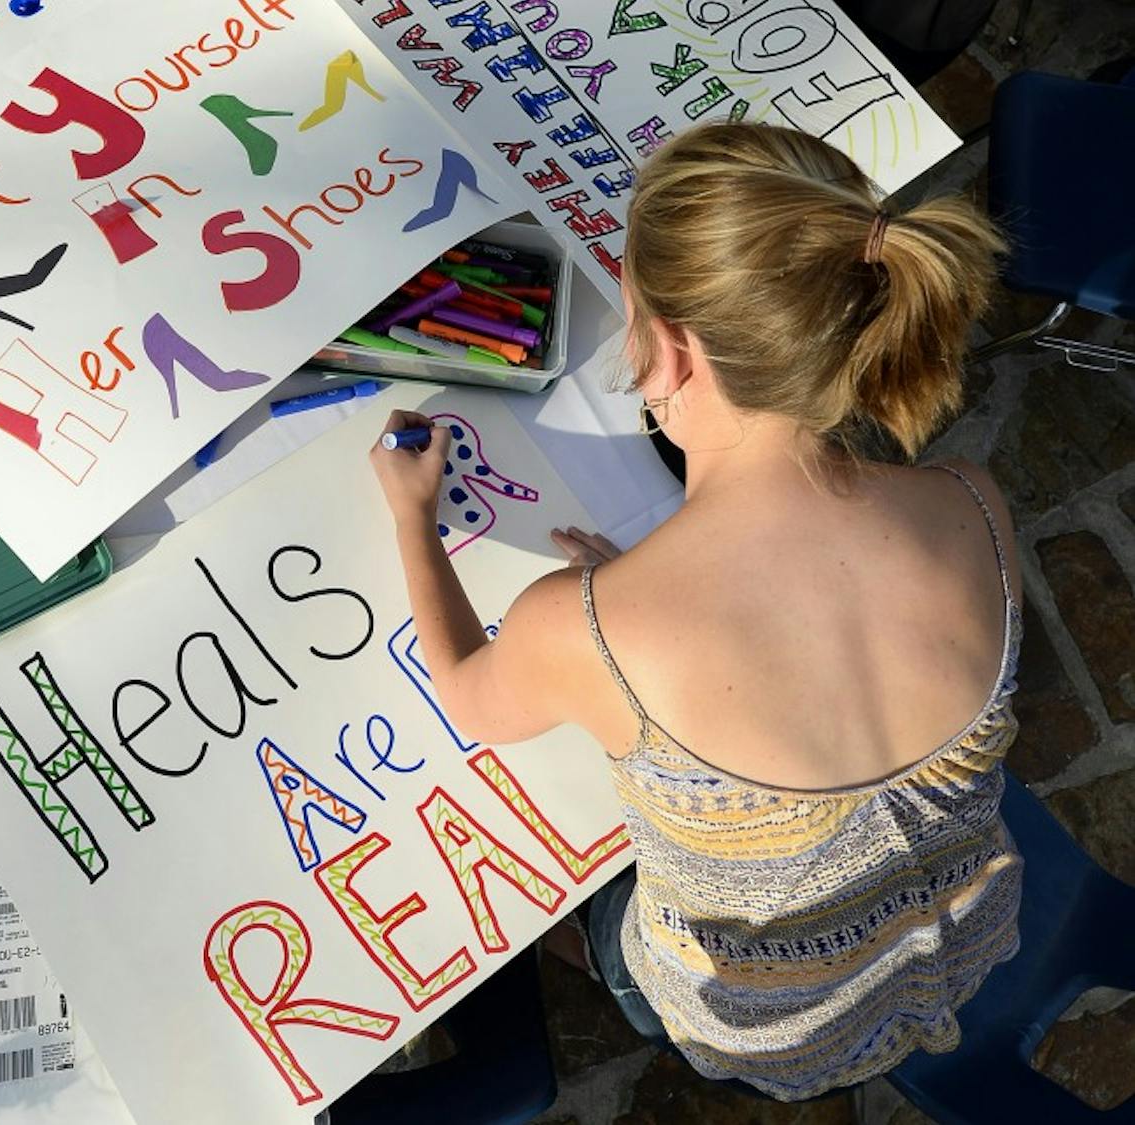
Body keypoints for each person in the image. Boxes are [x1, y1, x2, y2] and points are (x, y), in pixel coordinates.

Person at [369, 121, 1022, 1101]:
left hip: (764, 1032)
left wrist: (413, 518)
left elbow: (472, 700)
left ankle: (606, 968)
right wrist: (647, 591)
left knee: (601, 914)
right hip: (957, 945)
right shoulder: (975, 502)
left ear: (666, 354)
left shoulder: (584, 629)